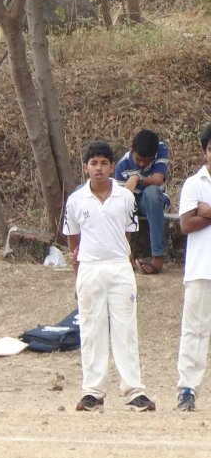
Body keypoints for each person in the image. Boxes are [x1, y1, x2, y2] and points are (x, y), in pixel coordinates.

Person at [63, 140, 155, 413]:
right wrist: (77, 277)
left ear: (113, 167)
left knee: (125, 329)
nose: (99, 169)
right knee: (92, 330)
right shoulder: (76, 200)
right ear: (86, 168)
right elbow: (73, 241)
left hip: (118, 267)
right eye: (94, 164)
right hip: (89, 268)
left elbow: (128, 234)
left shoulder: (125, 198)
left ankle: (134, 392)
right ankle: (92, 393)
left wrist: (125, 262)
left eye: (104, 163)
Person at [174, 123, 211, 412]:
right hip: (201, 268)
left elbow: (197, 217)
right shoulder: (194, 183)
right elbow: (186, 224)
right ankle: (187, 389)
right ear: (205, 151)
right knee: (194, 331)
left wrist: (206, 211)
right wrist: (199, 214)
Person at [115, 128, 170, 274]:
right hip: (131, 202)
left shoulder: (160, 149)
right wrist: (126, 251)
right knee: (124, 203)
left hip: (153, 201)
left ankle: (158, 256)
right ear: (131, 149)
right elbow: (121, 205)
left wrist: (137, 179)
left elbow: (158, 179)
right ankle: (126, 255)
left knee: (152, 192)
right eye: (138, 159)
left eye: (146, 161)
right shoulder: (122, 166)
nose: (141, 164)